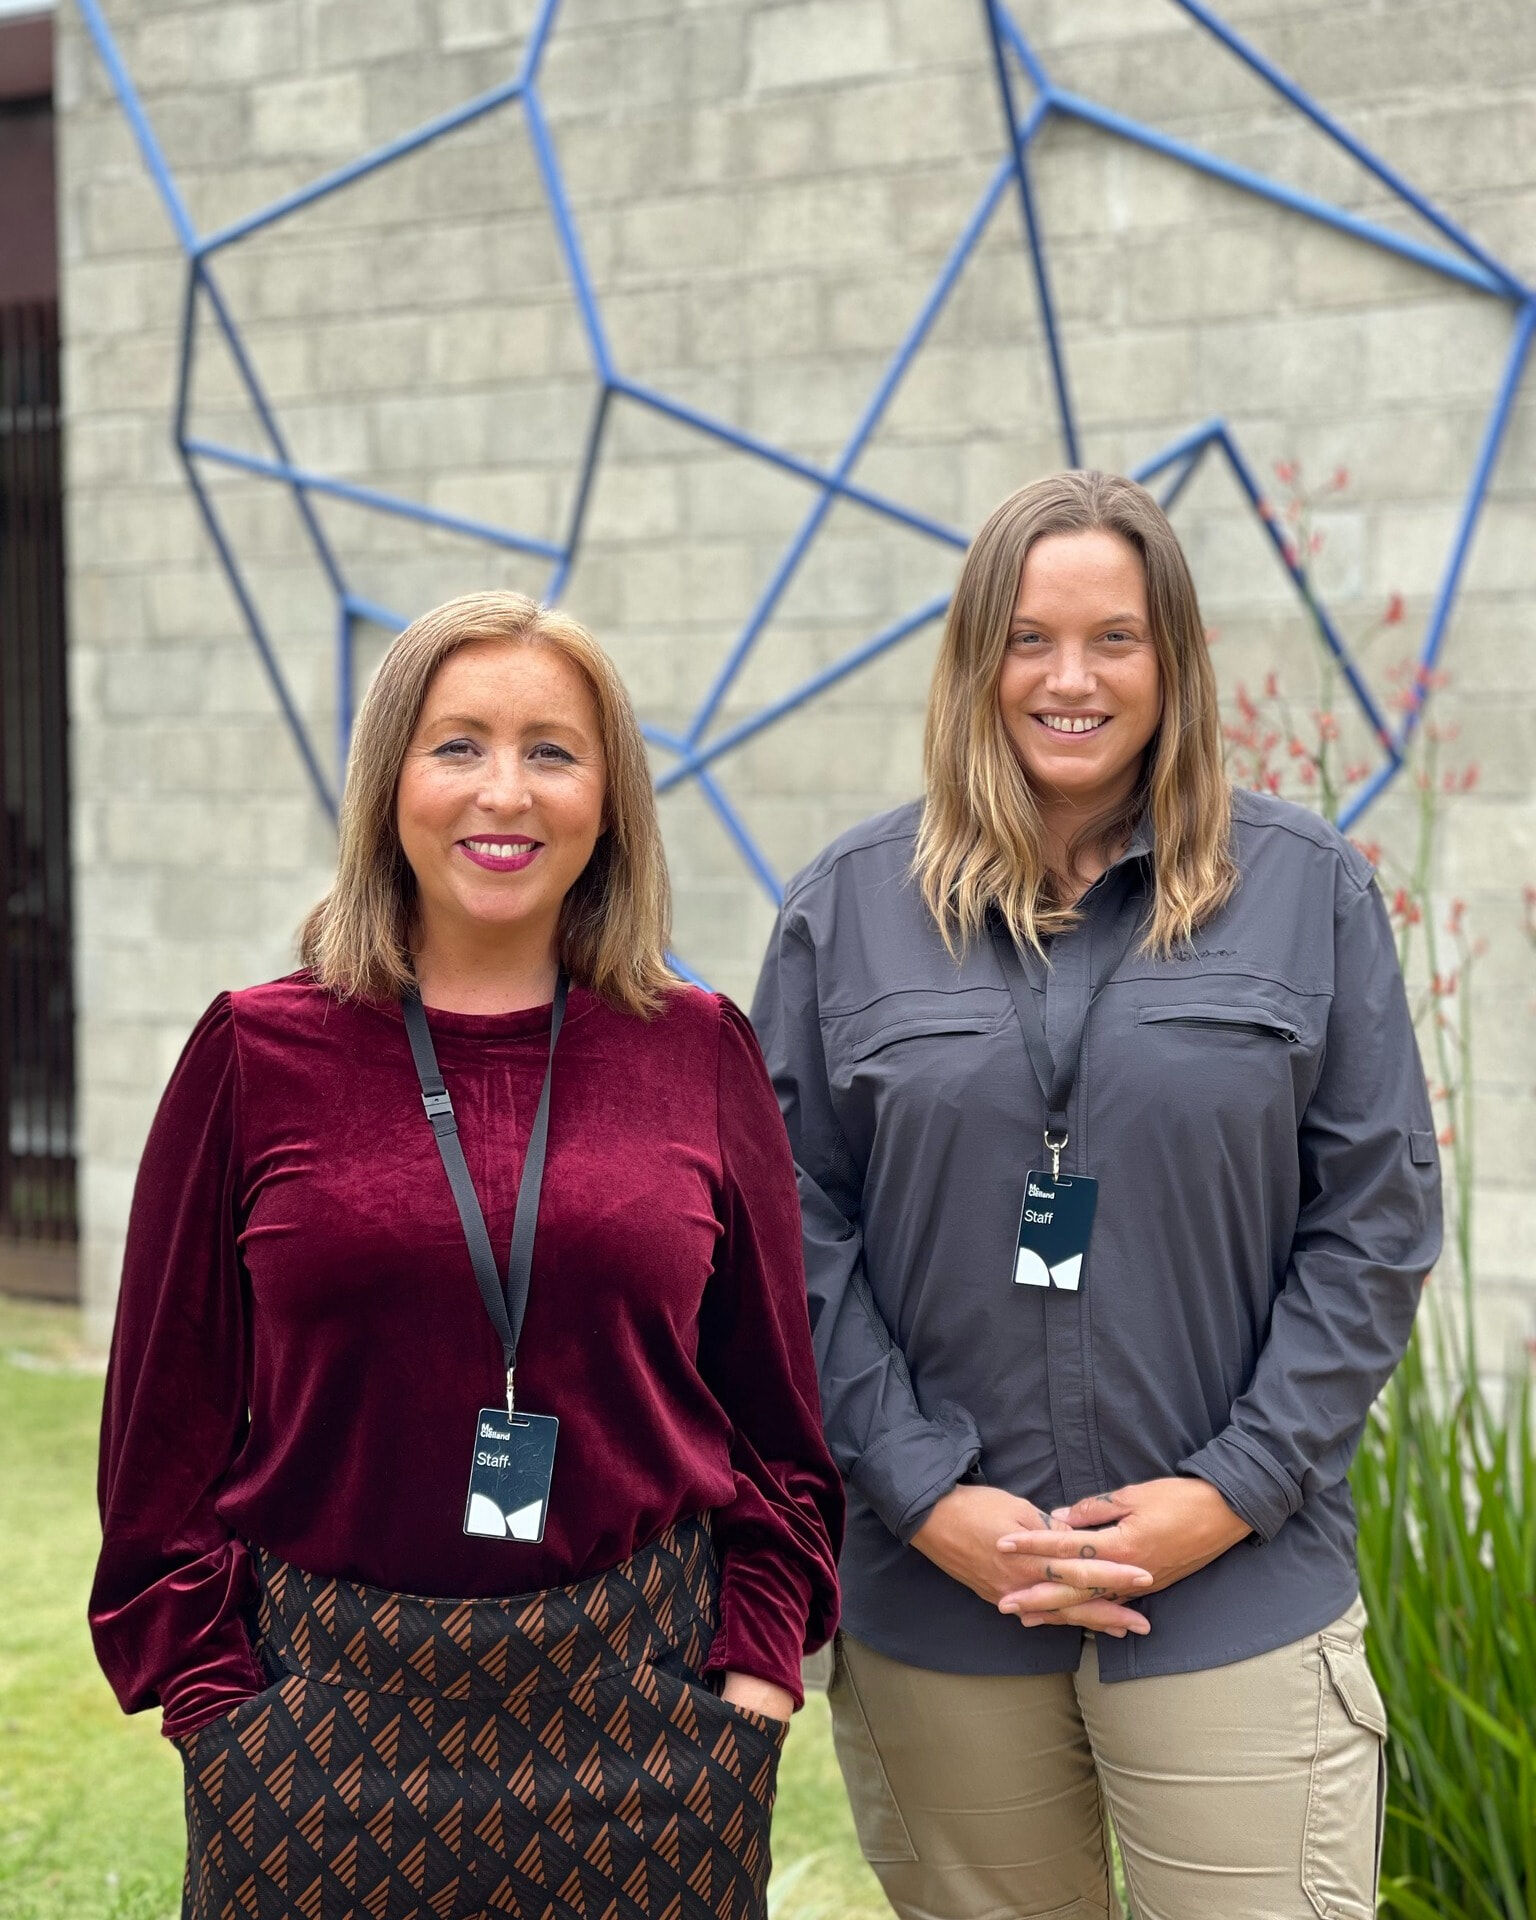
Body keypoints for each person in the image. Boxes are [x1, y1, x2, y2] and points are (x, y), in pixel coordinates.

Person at [91, 591, 842, 1920]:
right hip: (323, 1729)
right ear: (392, 787)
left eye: (553, 749)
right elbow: (163, 1431)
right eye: (459, 746)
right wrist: (220, 1710)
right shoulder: (254, 1054)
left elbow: (780, 1425)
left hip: (648, 1723)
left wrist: (755, 1687)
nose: (507, 792)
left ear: (610, 800)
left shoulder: (698, 1049)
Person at [752, 471, 1440, 1920]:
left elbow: (1373, 1222)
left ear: (1173, 660)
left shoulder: (1305, 890)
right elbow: (786, 1232)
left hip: (1234, 1597)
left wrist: (1228, 1491)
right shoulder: (847, 910)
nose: (1070, 680)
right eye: (1028, 637)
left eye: (1114, 639)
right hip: (945, 1602)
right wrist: (924, 1489)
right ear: (972, 660)